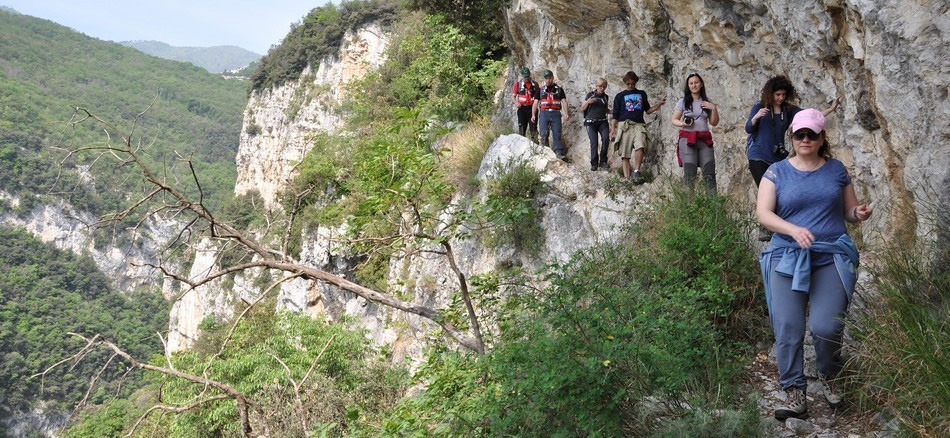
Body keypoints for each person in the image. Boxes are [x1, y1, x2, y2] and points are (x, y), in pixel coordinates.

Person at [756, 109, 873, 421]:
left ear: (822, 138)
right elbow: (763, 214)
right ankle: (795, 391)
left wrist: (858, 214)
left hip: (830, 255)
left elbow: (849, 211)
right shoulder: (776, 172)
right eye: (799, 134)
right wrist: (793, 229)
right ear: (792, 137)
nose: (805, 139)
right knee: (788, 327)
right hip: (786, 256)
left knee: (827, 325)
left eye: (811, 134)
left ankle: (830, 374)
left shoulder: (836, 170)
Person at [746, 75, 840, 239]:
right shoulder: (760, 107)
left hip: (777, 159)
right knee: (767, 190)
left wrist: (831, 109)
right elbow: (748, 128)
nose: (780, 98)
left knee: (781, 193)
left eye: (783, 94)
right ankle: (766, 227)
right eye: (777, 95)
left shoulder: (788, 110)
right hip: (758, 155)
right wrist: (756, 117)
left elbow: (811, 117)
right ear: (770, 94)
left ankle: (778, 227)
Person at [610, 71, 666, 182]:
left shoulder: (642, 94)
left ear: (636, 82)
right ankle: (627, 178)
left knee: (641, 146)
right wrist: (613, 128)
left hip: (639, 125)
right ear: (625, 83)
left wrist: (659, 104)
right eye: (628, 84)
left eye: (632, 83)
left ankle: (636, 171)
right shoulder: (619, 96)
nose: (630, 86)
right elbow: (615, 114)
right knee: (625, 154)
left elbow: (648, 110)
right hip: (624, 125)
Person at [671, 73, 719, 194]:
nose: (694, 85)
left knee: (709, 173)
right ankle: (688, 208)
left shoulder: (707, 102)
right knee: (690, 174)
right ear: (688, 86)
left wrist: (713, 108)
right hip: (688, 140)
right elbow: (674, 120)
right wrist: (683, 124)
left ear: (701, 84)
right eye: (691, 83)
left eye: (696, 82)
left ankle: (713, 207)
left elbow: (714, 122)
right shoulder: (683, 102)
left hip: (704, 140)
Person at [532, 70, 571, 161]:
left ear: (553, 78)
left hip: (556, 113)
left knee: (557, 133)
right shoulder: (540, 90)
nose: (548, 80)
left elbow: (564, 101)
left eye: (550, 78)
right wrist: (533, 115)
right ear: (544, 79)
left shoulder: (559, 89)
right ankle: (546, 151)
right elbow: (535, 103)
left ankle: (559, 152)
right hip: (544, 113)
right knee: (543, 133)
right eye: (546, 78)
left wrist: (566, 113)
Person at [581, 78, 611, 171]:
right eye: (600, 86)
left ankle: (603, 161)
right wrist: (587, 102)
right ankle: (594, 163)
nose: (602, 88)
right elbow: (582, 108)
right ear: (596, 86)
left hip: (602, 121)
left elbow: (605, 109)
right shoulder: (590, 95)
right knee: (594, 142)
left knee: (606, 139)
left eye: (604, 86)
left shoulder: (606, 97)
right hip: (591, 122)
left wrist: (614, 112)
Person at [512, 67, 539, 142]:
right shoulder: (518, 84)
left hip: (532, 109)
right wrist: (516, 102)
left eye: (527, 76)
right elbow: (513, 97)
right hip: (522, 109)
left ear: (530, 75)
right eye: (525, 76)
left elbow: (538, 97)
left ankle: (535, 145)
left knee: (533, 129)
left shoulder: (535, 84)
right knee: (522, 128)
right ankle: (521, 146)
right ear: (522, 76)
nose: (526, 78)